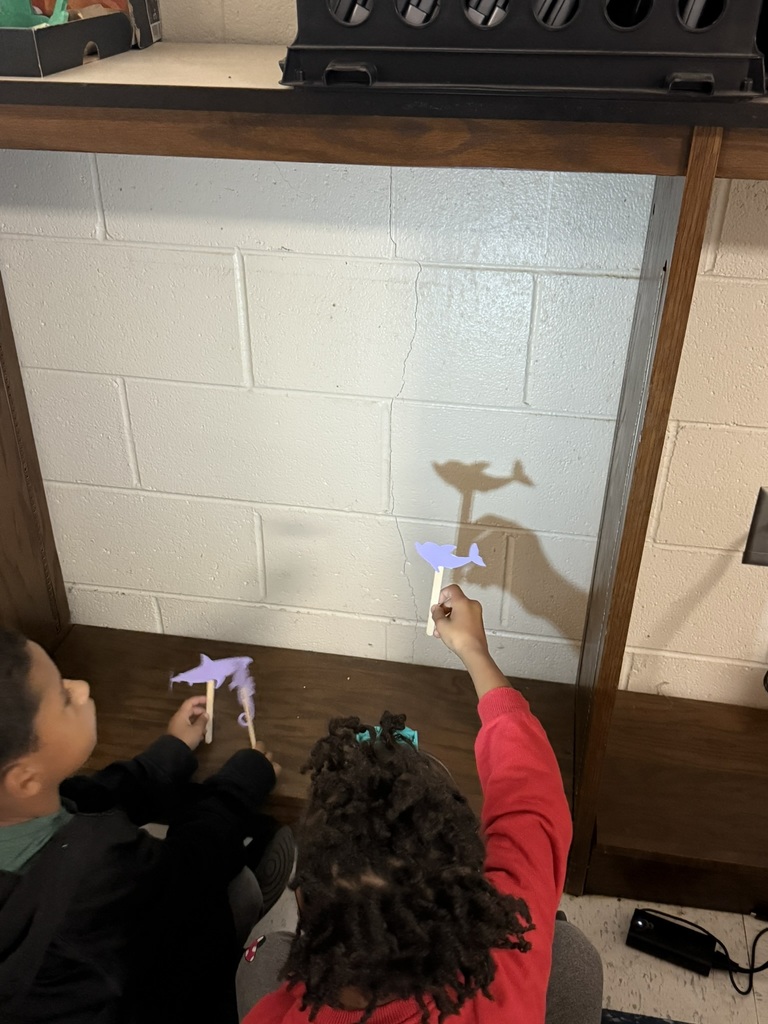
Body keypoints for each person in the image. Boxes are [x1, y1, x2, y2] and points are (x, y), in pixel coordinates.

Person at [237, 584, 603, 1024]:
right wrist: (474, 651)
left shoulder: (274, 1017)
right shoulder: (503, 956)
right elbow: (532, 800)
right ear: (470, 900)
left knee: (263, 958)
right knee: (571, 954)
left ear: (302, 906)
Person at [0, 629, 286, 1024]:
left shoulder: (19, 805)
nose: (81, 687)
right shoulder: (96, 866)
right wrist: (238, 786)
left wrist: (166, 756)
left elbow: (88, 796)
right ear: (25, 779)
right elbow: (191, 866)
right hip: (137, 1002)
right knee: (234, 885)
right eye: (64, 698)